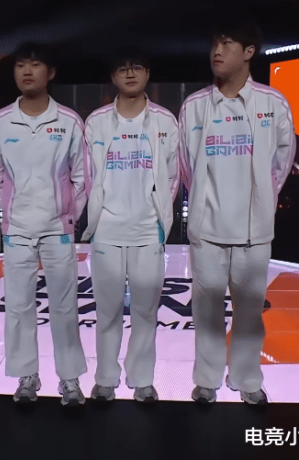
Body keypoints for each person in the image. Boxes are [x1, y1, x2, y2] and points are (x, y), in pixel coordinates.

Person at [178, 20, 296, 405]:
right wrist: (203, 203)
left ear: (248, 52)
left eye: (227, 44)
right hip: (207, 228)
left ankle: (246, 379)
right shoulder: (194, 106)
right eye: (214, 43)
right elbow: (186, 167)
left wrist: (261, 200)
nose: (217, 51)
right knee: (206, 311)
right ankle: (207, 381)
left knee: (249, 312)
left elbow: (281, 162)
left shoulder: (273, 103)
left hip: (254, 229)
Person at [0, 43, 89, 406]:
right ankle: (26, 376)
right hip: (17, 230)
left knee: (65, 305)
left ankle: (69, 379)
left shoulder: (69, 121)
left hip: (58, 229)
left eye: (35, 64)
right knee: (18, 306)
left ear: (51, 72)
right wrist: (12, 213)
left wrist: (67, 216)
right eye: (21, 65)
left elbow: (82, 176)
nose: (27, 71)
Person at [82, 49, 179, 403]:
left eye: (136, 66)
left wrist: (158, 215)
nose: (130, 73)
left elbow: (173, 176)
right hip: (107, 231)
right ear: (113, 77)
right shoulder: (96, 122)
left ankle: (142, 380)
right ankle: (105, 379)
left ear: (147, 72)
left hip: (147, 231)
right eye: (122, 68)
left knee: (145, 312)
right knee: (106, 311)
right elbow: (88, 177)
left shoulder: (165, 121)